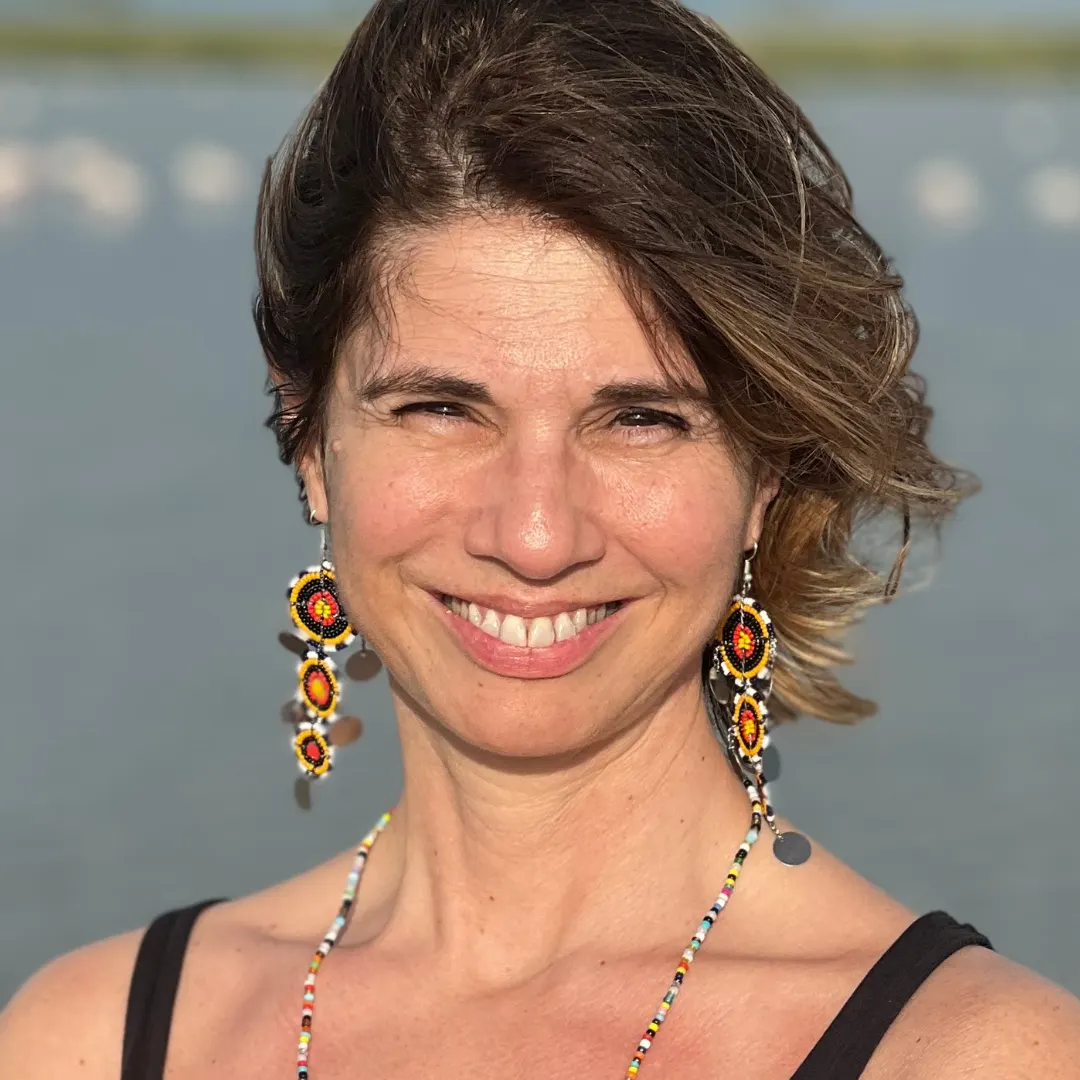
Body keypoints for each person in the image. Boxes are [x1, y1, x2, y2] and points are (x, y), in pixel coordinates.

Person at [4, 0, 1080, 1076]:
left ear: (766, 472)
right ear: (310, 439)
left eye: (641, 419)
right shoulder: (88, 1039)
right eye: (440, 408)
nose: (533, 534)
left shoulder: (979, 1057)